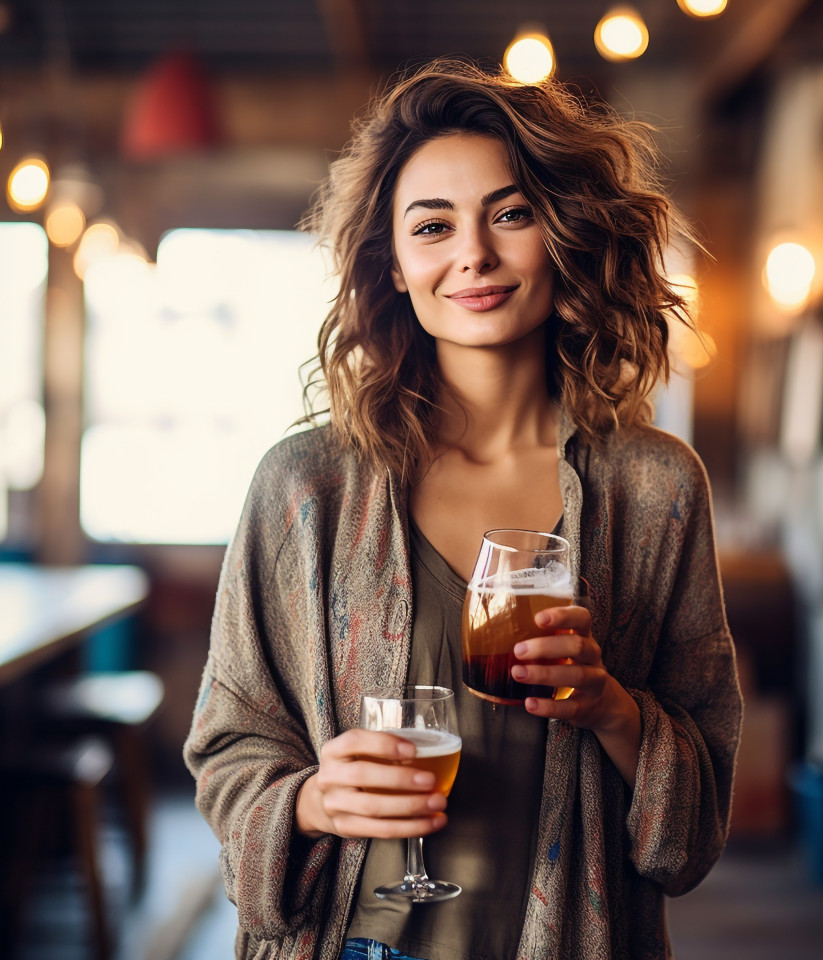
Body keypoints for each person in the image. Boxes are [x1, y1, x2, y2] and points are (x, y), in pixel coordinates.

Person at [184, 58, 742, 960]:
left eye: (510, 213)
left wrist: (607, 706)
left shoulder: (658, 489)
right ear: (394, 266)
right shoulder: (305, 487)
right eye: (432, 226)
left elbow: (696, 823)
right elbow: (232, 741)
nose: (473, 255)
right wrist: (312, 801)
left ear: (561, 233)